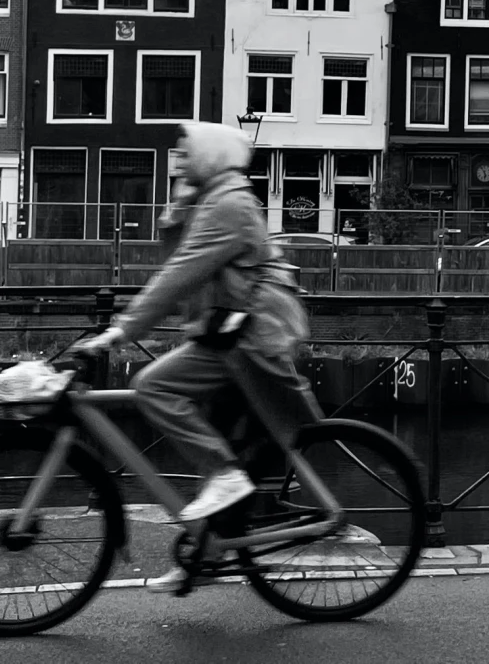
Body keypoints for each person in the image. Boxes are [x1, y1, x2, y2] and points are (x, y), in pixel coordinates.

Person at [73, 122, 321, 563]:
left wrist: (124, 329)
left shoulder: (228, 204)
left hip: (252, 334)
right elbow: (183, 263)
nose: (179, 161)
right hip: (231, 330)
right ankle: (207, 554)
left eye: (187, 153)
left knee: (155, 387)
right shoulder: (212, 198)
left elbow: (181, 272)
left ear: (210, 156)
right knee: (220, 433)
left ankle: (225, 478)